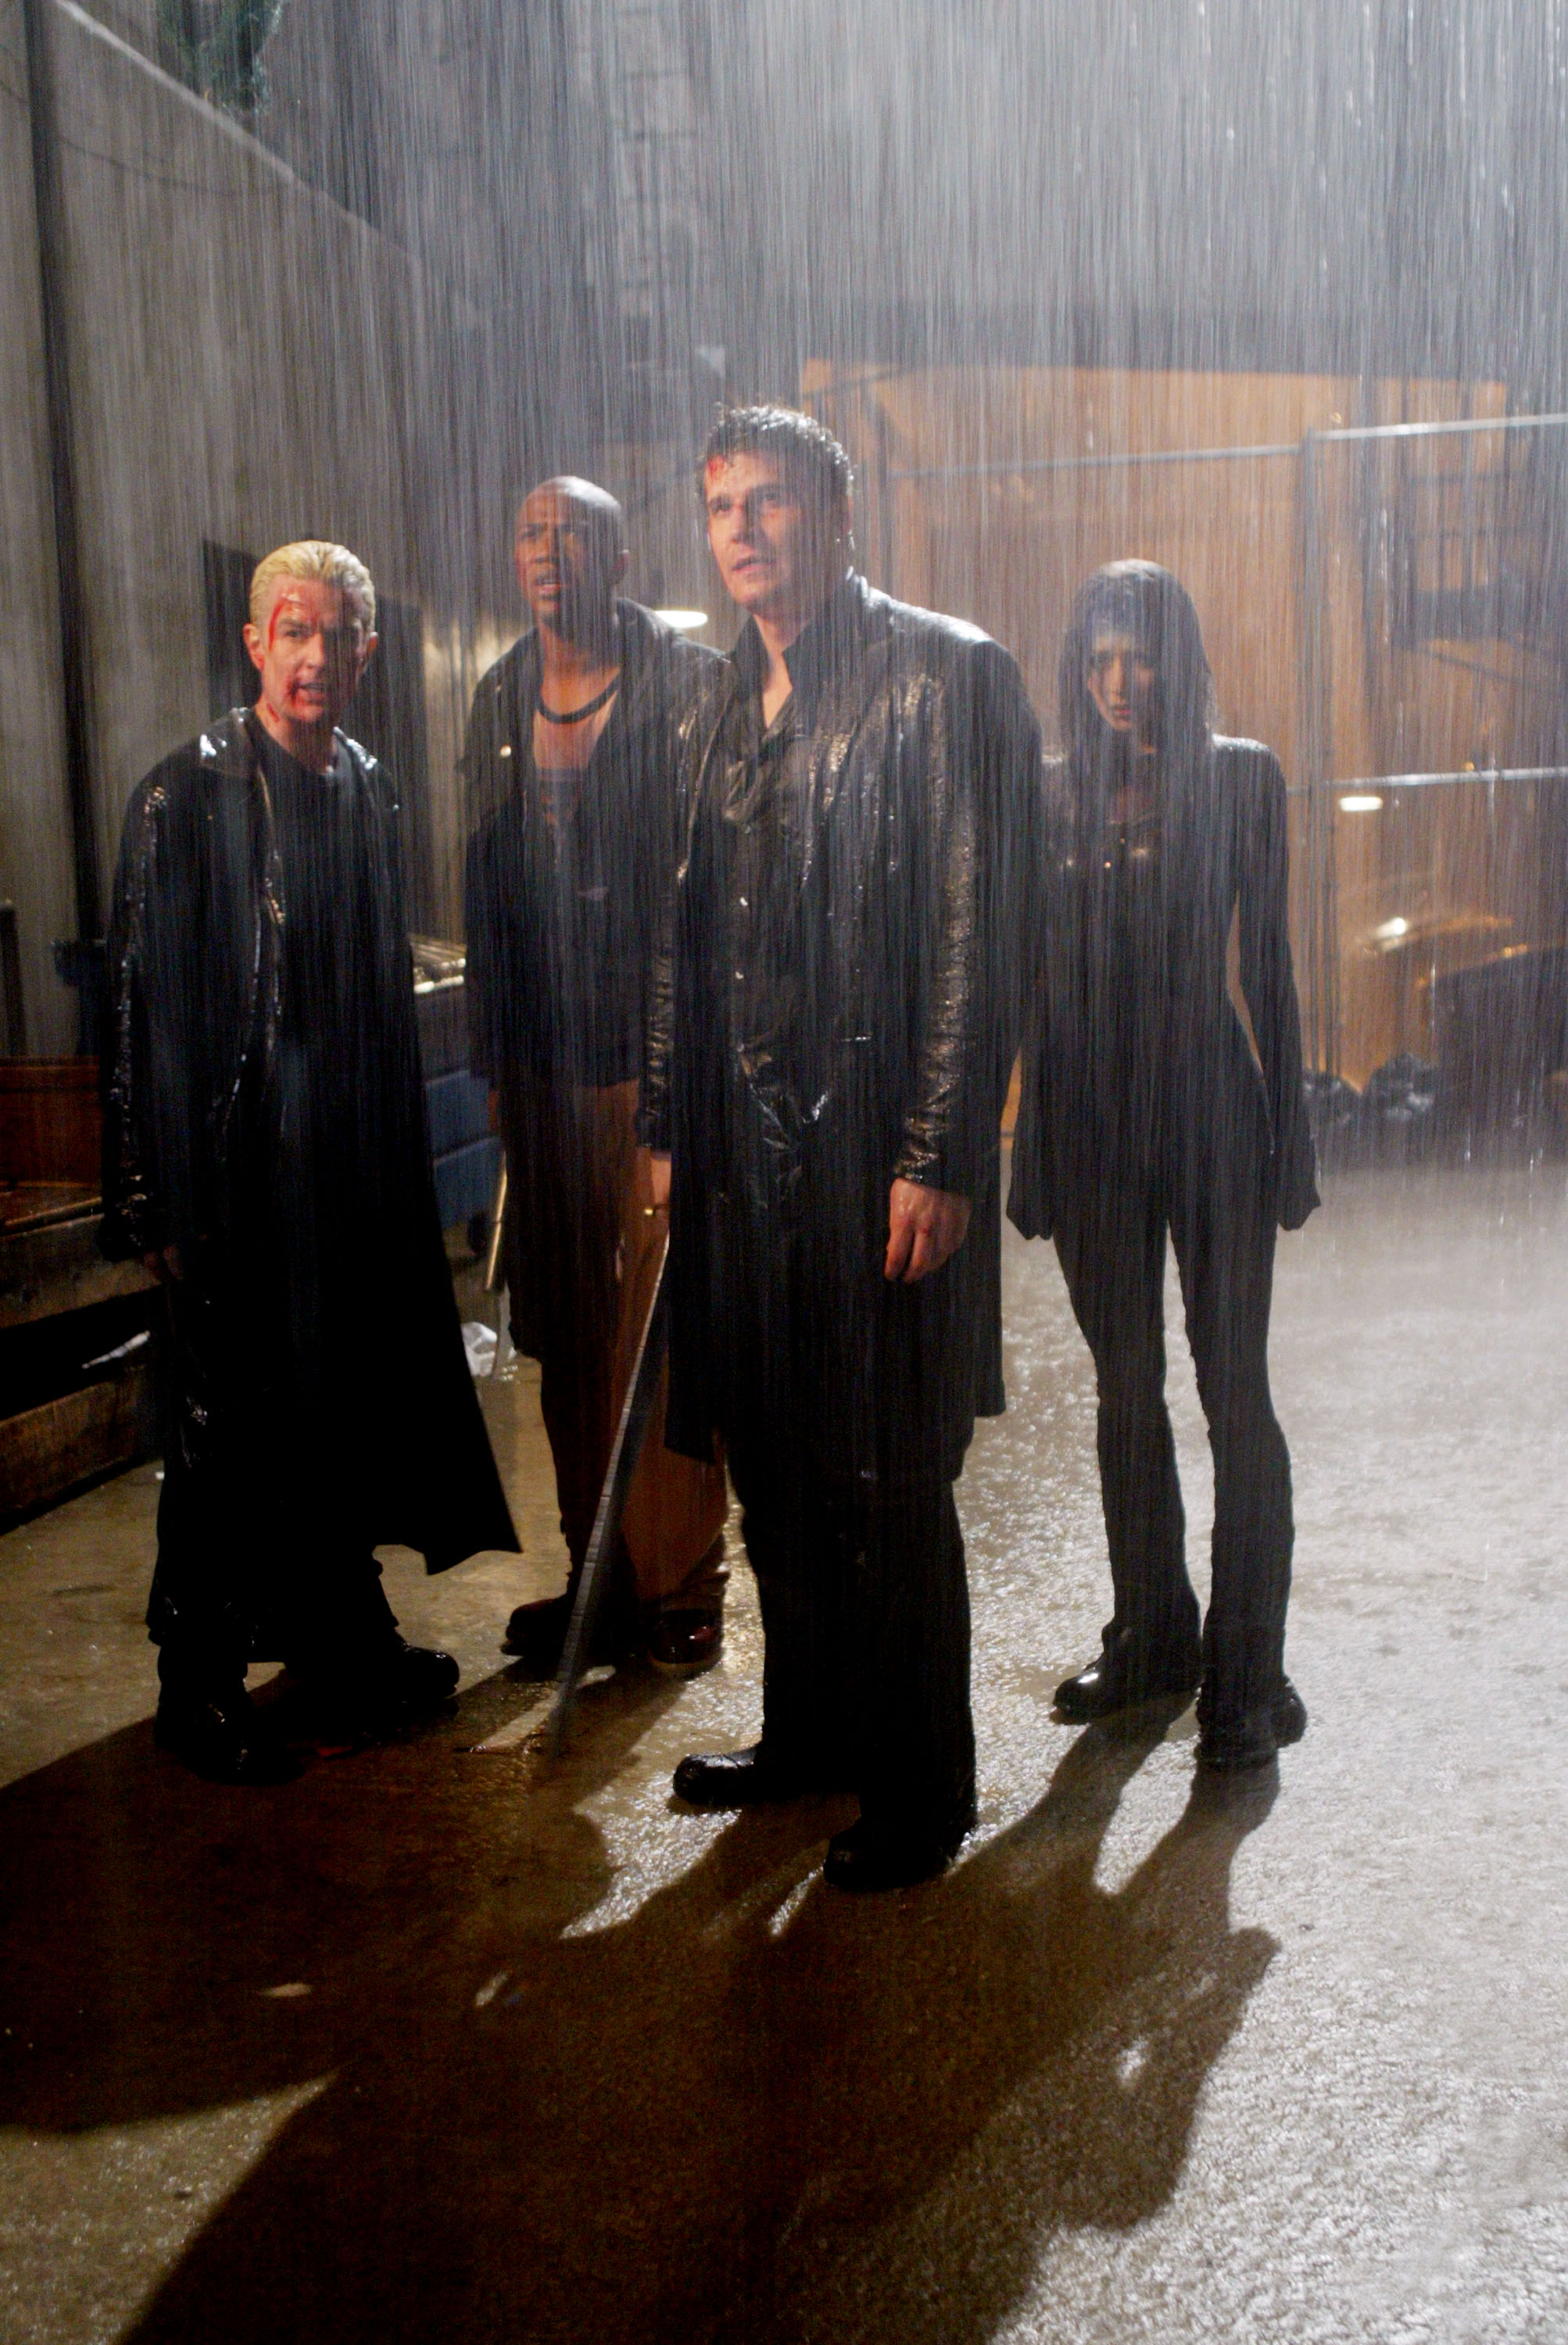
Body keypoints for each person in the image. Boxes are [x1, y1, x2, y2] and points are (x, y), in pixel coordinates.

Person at [646, 406, 1041, 1891]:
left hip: (877, 1148)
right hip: (743, 1164)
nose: (744, 530)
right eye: (722, 506)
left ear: (840, 514)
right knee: (776, 1468)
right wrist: (669, 1121)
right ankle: (807, 1731)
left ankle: (921, 1785)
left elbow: (981, 930)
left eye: (773, 501)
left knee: (883, 1476)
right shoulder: (709, 707)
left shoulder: (947, 675)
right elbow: (677, 939)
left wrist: (940, 1149)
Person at [102, 540, 517, 1785]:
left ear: (367, 653)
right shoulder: (185, 796)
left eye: (337, 635)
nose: (315, 655)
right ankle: (198, 1680)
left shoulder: (367, 785)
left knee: (344, 1405)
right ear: (254, 643)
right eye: (294, 630)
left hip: (346, 1163)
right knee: (226, 1430)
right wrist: (154, 1190)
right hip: (237, 1169)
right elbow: (139, 1005)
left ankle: (345, 1635)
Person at [1009, 560, 1318, 1769]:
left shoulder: (1239, 776)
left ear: (1176, 661)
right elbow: (1035, 983)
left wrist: (1291, 1133)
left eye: (1138, 657)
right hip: (1089, 1122)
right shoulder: (1048, 793)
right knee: (1122, 1389)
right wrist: (1029, 1141)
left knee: (1232, 1386)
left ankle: (1248, 1668)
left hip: (1209, 1114)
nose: (1117, 682)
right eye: (1097, 660)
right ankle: (1151, 1633)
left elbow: (1268, 965)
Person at [464, 478, 729, 1677]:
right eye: (531, 533)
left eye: (575, 535)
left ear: (619, 559)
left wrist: (695, 1069)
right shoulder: (498, 694)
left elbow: (711, 892)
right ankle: (596, 1575)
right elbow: (481, 882)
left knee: (662, 1326)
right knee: (565, 1329)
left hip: (655, 1055)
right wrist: (492, 1056)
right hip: (542, 1061)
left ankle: (680, 1582)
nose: (549, 553)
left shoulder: (688, 685)